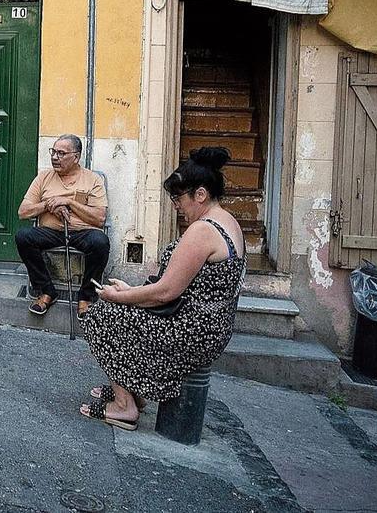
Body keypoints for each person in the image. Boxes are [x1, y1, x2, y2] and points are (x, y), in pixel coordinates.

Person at [79, 147, 245, 431]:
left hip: (192, 331)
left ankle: (124, 406)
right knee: (120, 308)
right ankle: (134, 392)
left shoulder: (203, 230)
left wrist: (120, 296)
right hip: (209, 326)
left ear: (200, 195)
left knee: (101, 314)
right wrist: (131, 292)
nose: (176, 205)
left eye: (178, 198)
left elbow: (165, 293)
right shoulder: (227, 221)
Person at [15, 134, 109, 319]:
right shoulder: (44, 178)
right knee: (23, 237)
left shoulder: (93, 180)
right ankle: (47, 291)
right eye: (53, 152)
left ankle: (86, 297)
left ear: (76, 157)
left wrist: (69, 202)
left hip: (83, 231)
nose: (55, 157)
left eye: (61, 153)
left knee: (100, 242)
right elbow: (23, 212)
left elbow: (100, 218)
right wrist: (49, 204)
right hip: (51, 231)